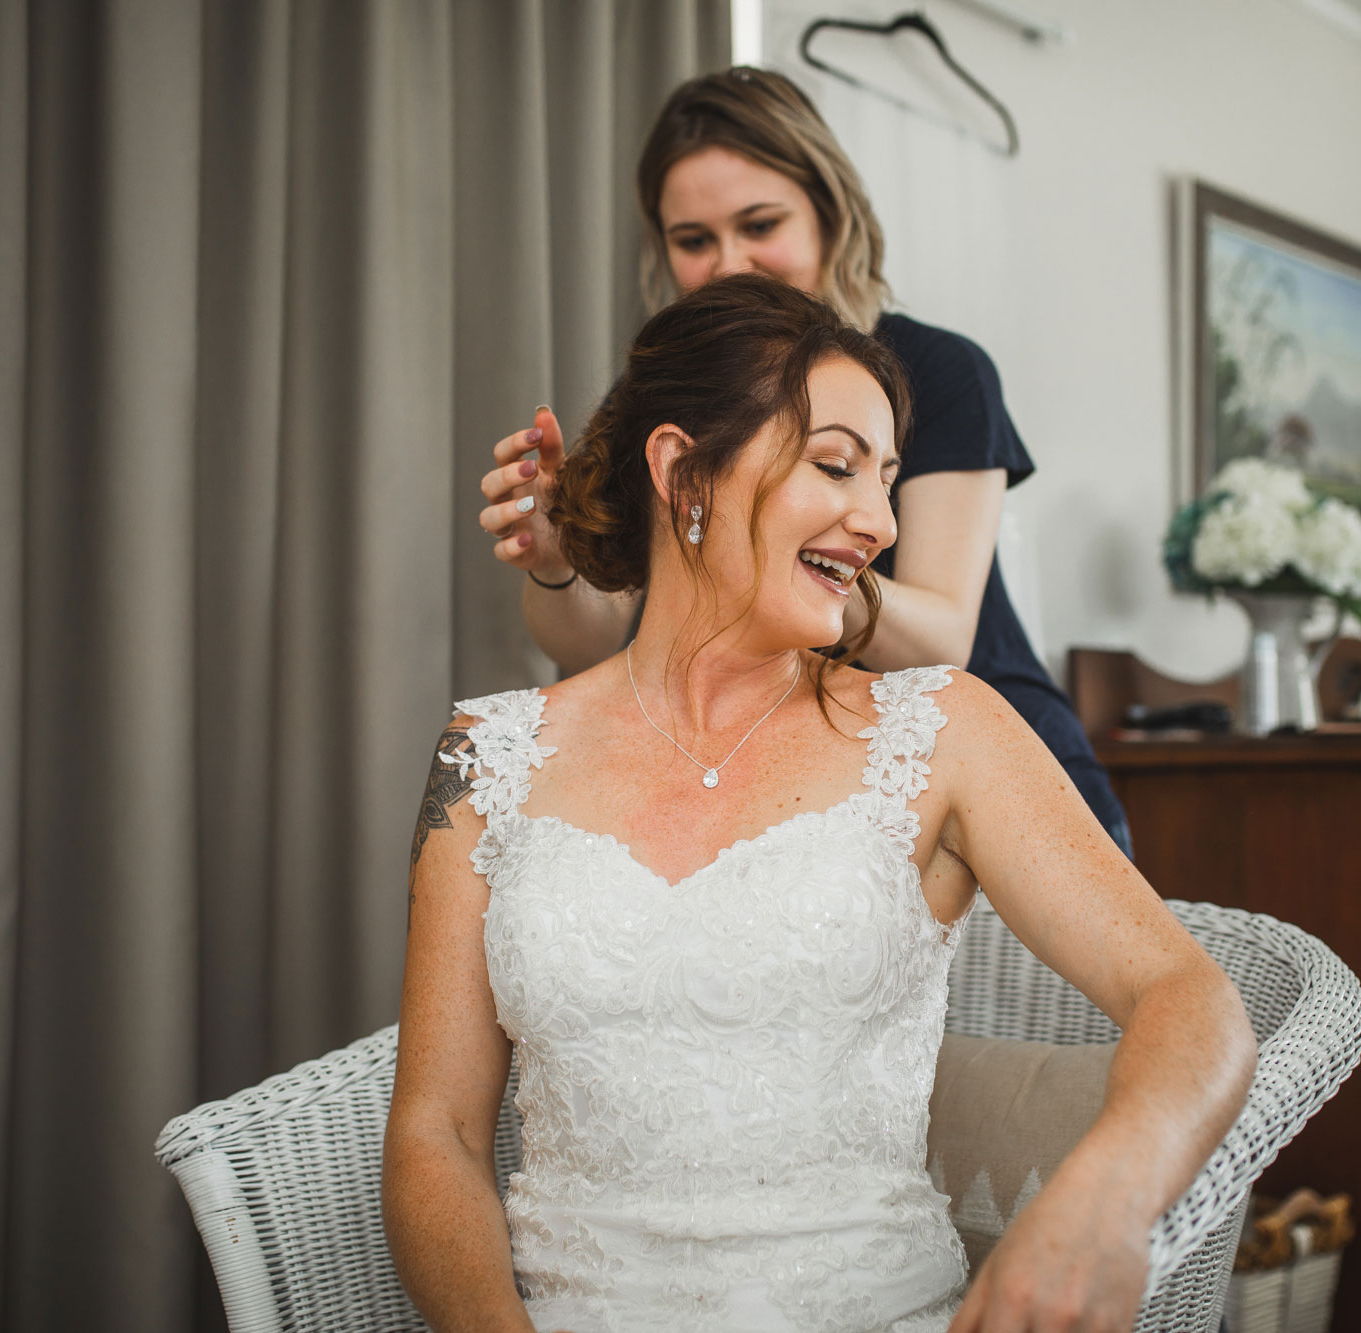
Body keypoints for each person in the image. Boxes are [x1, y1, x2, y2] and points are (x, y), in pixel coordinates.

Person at [385, 274, 1255, 1332]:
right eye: (835, 465)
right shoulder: (488, 756)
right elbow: (438, 1133)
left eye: (886, 480)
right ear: (681, 470)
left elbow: (1190, 1000)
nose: (879, 522)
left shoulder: (940, 729)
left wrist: (1100, 1199)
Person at [477, 67, 1132, 855]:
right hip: (794, 790)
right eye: (694, 240)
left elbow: (940, 641)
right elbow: (597, 640)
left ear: (829, 212)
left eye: (760, 225)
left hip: (995, 780)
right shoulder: (662, 398)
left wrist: (772, 554)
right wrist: (557, 561)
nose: (730, 263)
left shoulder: (942, 372)